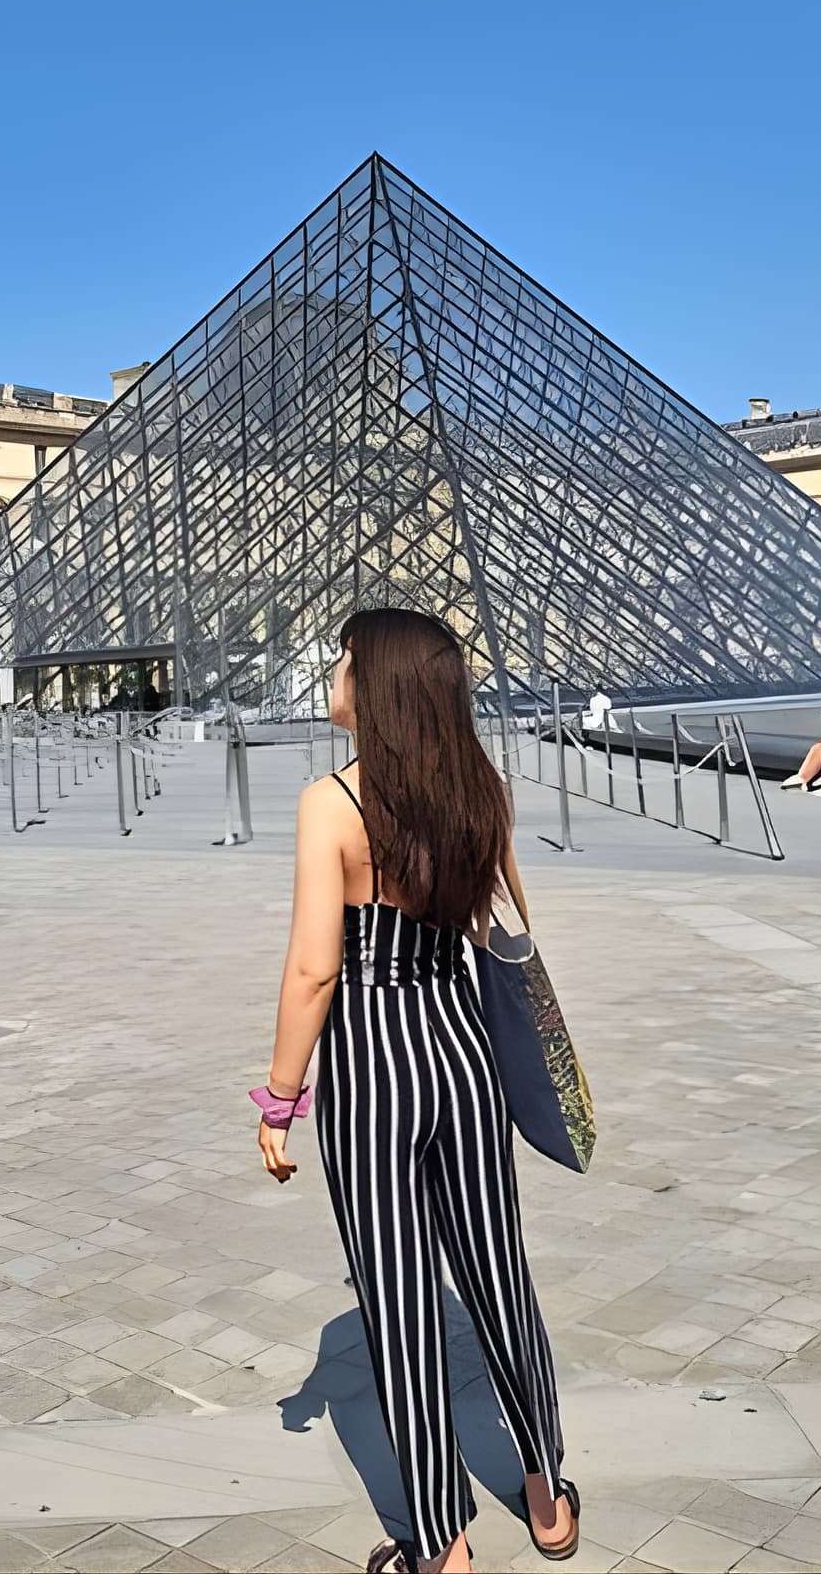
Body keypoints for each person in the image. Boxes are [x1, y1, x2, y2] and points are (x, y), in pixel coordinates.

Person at [255, 609, 577, 1574]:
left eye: (345, 659)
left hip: (375, 1060)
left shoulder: (333, 803)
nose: (334, 671)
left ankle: (442, 1546)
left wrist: (279, 1100)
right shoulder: (482, 790)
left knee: (400, 1306)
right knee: (497, 1273)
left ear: (379, 687)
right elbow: (508, 916)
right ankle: (547, 1495)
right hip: (464, 1048)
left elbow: (316, 969)